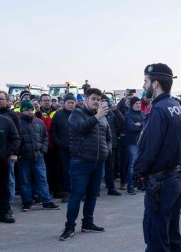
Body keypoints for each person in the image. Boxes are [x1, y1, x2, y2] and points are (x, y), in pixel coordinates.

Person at [129, 63, 181, 252]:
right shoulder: (178, 107)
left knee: (156, 238)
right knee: (171, 234)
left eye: (145, 81)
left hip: (160, 182)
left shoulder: (159, 110)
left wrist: (138, 172)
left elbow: (148, 147)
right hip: (175, 177)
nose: (143, 85)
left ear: (154, 83)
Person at [59, 88, 111, 241]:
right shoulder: (76, 114)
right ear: (86, 100)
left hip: (98, 161)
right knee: (76, 195)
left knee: (92, 195)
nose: (96, 101)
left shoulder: (103, 117)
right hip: (81, 161)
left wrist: (106, 150)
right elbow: (81, 128)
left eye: (98, 99)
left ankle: (88, 223)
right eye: (93, 98)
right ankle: (69, 227)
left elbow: (108, 136)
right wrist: (97, 116)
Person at [17, 100, 60, 211]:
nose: (30, 112)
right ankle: (27, 202)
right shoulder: (17, 123)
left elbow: (45, 137)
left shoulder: (39, 122)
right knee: (25, 180)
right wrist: (19, 153)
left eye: (31, 109)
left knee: (42, 179)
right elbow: (15, 139)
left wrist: (43, 150)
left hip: (38, 156)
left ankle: (47, 201)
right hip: (23, 157)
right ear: (22, 111)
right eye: (27, 110)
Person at [124, 97, 144, 195]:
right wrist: (142, 126)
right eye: (136, 103)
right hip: (132, 143)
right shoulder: (128, 114)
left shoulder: (143, 113)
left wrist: (140, 124)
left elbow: (148, 124)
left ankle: (140, 184)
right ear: (132, 104)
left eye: (139, 103)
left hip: (142, 143)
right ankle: (130, 186)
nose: (138, 105)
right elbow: (131, 127)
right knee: (132, 165)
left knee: (141, 164)